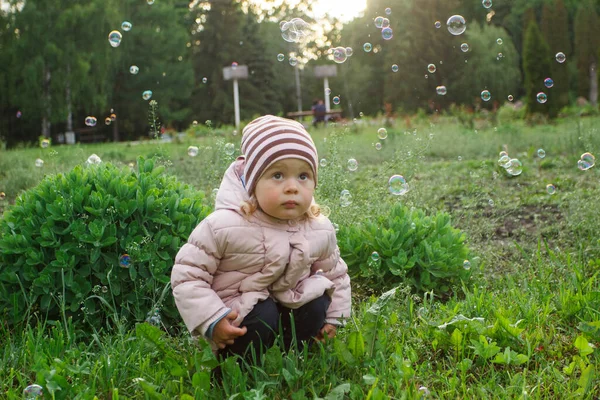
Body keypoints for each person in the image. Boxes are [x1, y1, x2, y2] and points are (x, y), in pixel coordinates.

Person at [171, 115, 351, 360]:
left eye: (303, 176)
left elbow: (336, 274)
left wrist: (334, 317)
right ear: (252, 183)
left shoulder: (318, 227)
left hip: (287, 300)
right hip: (236, 313)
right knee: (263, 313)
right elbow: (187, 275)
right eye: (277, 175)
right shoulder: (224, 225)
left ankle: (295, 359)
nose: (292, 187)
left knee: (317, 302)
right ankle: (236, 366)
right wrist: (212, 318)